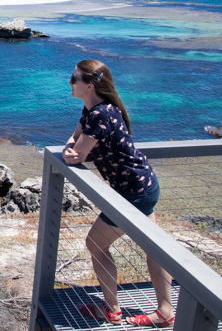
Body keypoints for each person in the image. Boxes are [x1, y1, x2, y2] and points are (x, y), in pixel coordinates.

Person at [63, 59, 175, 327]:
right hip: (143, 185)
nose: (70, 82)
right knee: (154, 249)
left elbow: (76, 154)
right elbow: (74, 142)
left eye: (74, 79)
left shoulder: (100, 115)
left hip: (132, 193)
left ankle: (113, 309)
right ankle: (165, 311)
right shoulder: (95, 110)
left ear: (89, 86)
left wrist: (71, 152)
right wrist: (72, 149)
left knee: (95, 244)